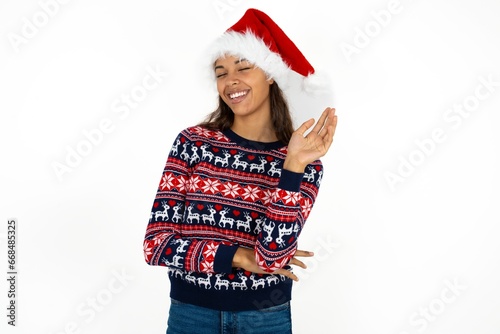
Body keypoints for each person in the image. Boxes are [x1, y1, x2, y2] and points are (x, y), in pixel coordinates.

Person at [143, 8, 337, 334]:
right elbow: (156, 245)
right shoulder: (193, 143)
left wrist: (292, 167)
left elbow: (273, 258)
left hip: (265, 318)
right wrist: (239, 257)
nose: (230, 79)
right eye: (220, 72)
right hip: (191, 314)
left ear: (271, 74)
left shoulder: (304, 163)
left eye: (243, 67)